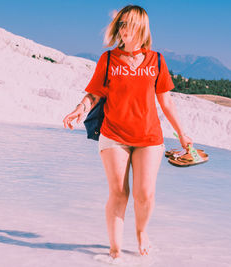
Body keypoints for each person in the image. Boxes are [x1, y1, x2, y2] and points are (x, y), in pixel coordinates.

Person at [63, 5, 192, 259]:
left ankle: (142, 232)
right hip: (114, 135)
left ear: (141, 28)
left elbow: (166, 102)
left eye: (128, 24)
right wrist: (80, 108)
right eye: (121, 24)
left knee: (145, 194)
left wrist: (182, 134)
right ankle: (115, 250)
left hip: (149, 137)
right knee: (119, 192)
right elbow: (95, 93)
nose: (123, 29)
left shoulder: (156, 60)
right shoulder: (108, 59)